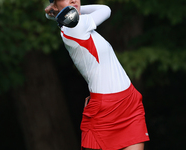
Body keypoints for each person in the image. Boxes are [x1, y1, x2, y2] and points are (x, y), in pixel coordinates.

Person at [45, 0, 150, 150]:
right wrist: (67, 11)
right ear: (55, 6)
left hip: (129, 101)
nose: (73, 0)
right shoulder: (76, 27)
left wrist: (64, 11)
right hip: (105, 109)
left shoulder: (75, 23)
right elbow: (105, 9)